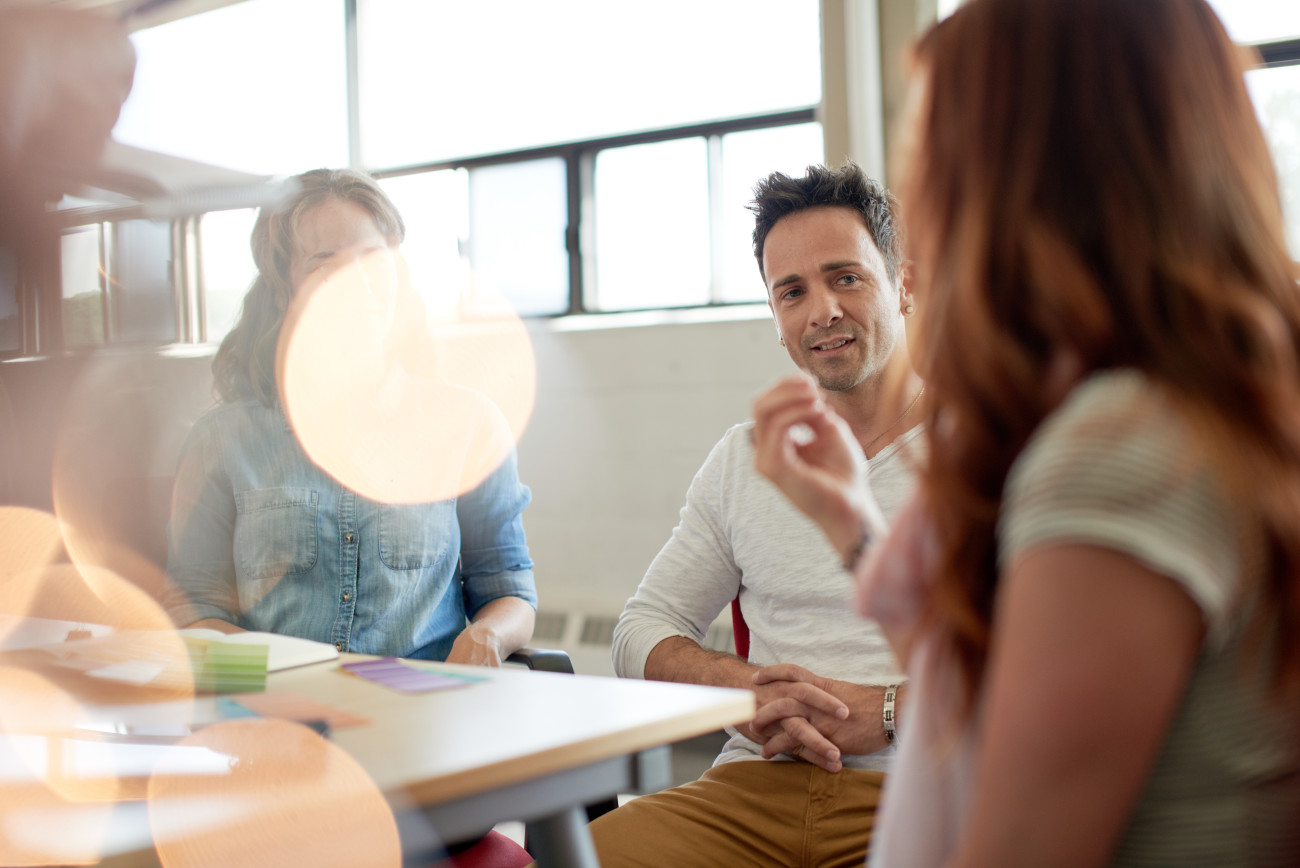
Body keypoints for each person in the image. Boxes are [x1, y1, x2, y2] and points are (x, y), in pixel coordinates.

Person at [753, 0, 1300, 865]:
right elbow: (980, 692)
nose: (919, 199)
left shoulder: (1119, 452)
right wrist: (852, 524)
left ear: (1022, 177)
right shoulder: (1179, 397)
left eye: (930, 149)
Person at [589, 163, 924, 867]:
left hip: (915, 791)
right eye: (792, 292)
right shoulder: (746, 457)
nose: (822, 311)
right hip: (753, 790)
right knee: (586, 853)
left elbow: (1043, 673)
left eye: (847, 278)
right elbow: (640, 633)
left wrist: (891, 713)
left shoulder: (993, 451)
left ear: (906, 286)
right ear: (775, 319)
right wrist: (748, 689)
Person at [164, 168, 537, 666]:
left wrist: (489, 636)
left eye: (372, 260)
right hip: (279, 716)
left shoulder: (468, 425)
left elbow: (508, 588)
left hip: (423, 718)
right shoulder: (221, 438)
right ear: (284, 290)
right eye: (324, 263)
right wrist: (259, 675)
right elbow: (194, 605)